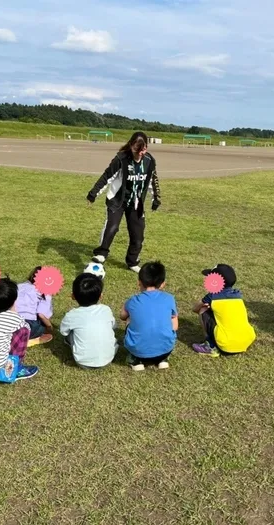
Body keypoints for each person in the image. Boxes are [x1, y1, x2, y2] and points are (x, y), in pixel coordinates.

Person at [86, 131, 162, 273]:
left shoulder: (149, 161)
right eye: (136, 149)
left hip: (136, 203)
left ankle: (132, 261)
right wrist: (93, 193)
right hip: (117, 200)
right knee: (112, 227)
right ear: (131, 145)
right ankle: (101, 253)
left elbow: (153, 179)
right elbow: (107, 176)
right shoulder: (121, 159)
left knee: (138, 234)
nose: (140, 153)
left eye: (143, 149)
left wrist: (156, 197)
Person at [120, 261, 178, 371]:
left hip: (138, 351)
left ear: (139, 282)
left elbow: (122, 316)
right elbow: (175, 326)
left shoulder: (133, 300)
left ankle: (135, 360)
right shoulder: (169, 298)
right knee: (172, 318)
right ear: (163, 284)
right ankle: (162, 360)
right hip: (166, 349)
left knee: (129, 317)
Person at [192, 264, 256, 357]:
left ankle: (210, 346)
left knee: (203, 309)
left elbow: (195, 309)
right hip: (246, 341)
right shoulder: (238, 295)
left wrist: (207, 307)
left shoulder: (212, 296)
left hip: (226, 344)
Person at [59, 273, 118, 369]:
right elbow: (114, 326)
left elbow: (63, 332)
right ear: (100, 296)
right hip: (109, 358)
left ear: (73, 296)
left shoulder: (72, 315)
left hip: (83, 362)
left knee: (71, 333)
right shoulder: (106, 309)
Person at [15, 266, 54, 344]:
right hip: (29, 325)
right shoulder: (45, 292)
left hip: (11, 321)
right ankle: (29, 339)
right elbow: (41, 315)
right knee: (41, 327)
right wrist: (50, 327)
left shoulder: (19, 286)